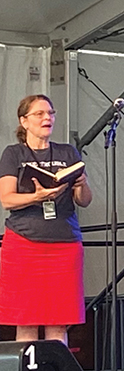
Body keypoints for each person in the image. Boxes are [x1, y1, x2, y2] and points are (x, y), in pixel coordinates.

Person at [0, 95, 92, 344]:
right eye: (39, 114)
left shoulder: (67, 152)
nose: (47, 118)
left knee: (59, 321)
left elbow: (83, 200)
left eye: (50, 113)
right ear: (24, 121)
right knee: (26, 320)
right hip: (24, 244)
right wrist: (36, 197)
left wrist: (82, 184)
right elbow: (7, 199)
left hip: (64, 243)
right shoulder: (13, 154)